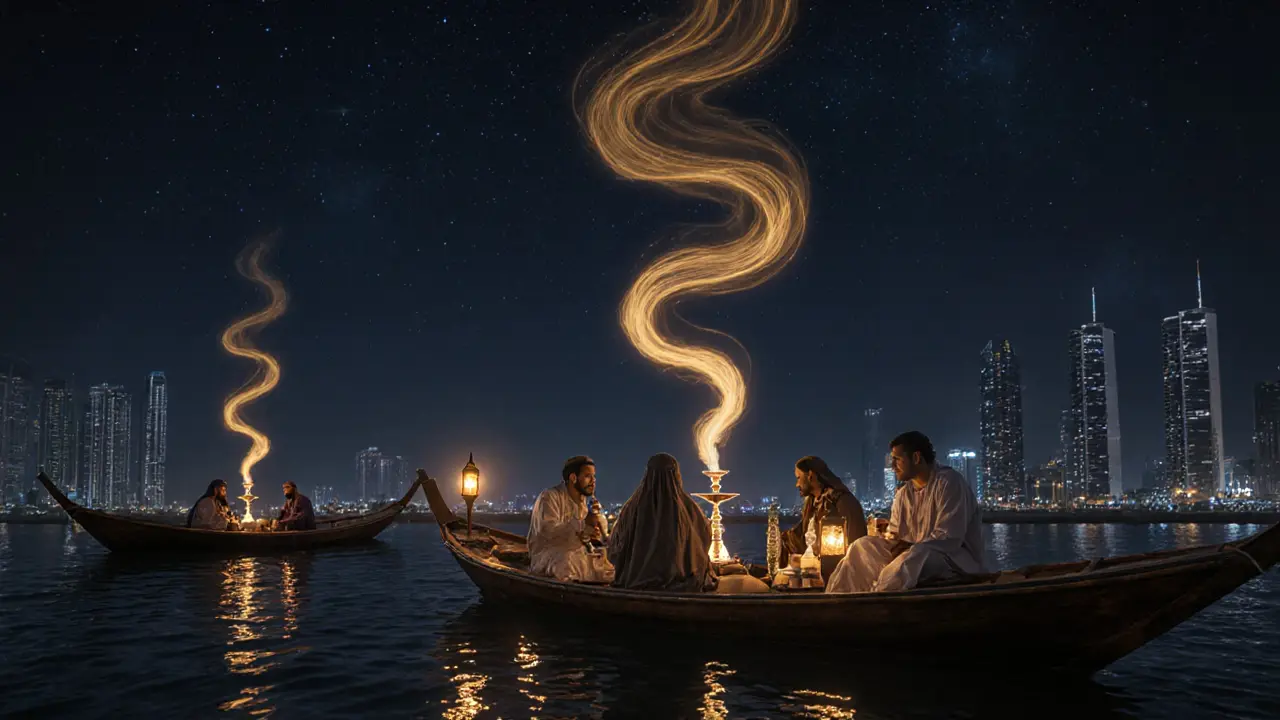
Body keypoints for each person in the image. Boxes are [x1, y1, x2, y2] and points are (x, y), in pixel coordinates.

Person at [826, 431, 989, 593]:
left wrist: (911, 547)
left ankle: (879, 596)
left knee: (916, 556)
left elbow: (949, 538)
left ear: (916, 458)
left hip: (953, 560)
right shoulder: (903, 494)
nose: (892, 466)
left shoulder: (949, 483)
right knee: (861, 546)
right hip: (912, 555)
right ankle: (838, 597)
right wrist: (892, 541)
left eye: (897, 460)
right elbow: (896, 534)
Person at [607, 453, 717, 592]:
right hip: (684, 580)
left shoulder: (632, 507)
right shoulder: (688, 508)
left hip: (634, 580)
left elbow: (616, 547)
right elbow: (705, 537)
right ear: (676, 474)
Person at [528, 456, 614, 581]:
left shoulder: (583, 504)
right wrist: (583, 525)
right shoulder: (549, 497)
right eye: (588, 476)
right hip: (547, 555)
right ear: (573, 478)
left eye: (594, 476)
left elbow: (588, 537)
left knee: (607, 561)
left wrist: (595, 530)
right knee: (567, 562)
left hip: (575, 554)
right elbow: (548, 533)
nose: (593, 481)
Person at [780, 456, 868, 567]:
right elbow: (801, 537)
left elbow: (857, 544)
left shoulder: (842, 502)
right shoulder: (812, 503)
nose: (797, 484)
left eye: (798, 478)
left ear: (810, 475)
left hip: (838, 570)